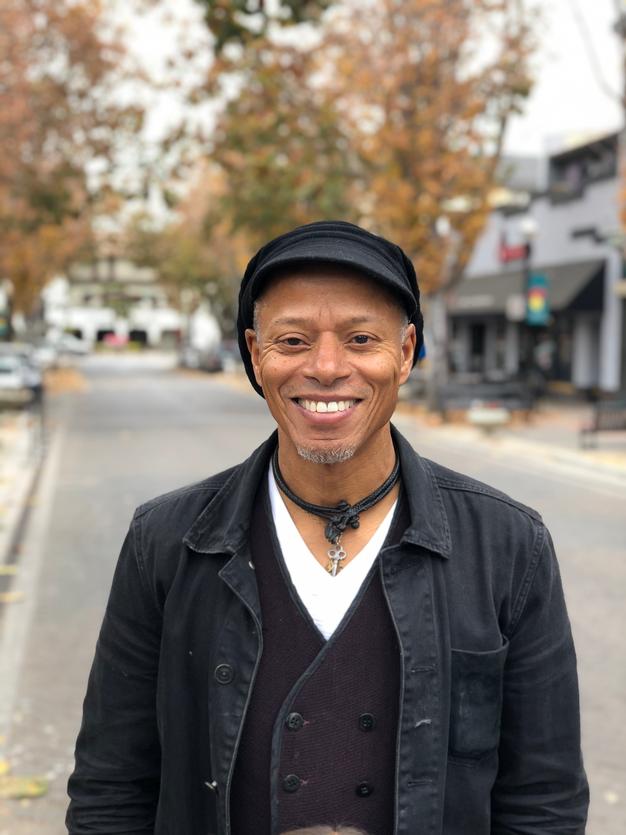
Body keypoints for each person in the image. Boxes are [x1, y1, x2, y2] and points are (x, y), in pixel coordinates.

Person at [66, 221, 589, 835]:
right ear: (254, 354)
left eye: (361, 338)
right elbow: (111, 791)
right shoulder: (165, 542)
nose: (326, 367)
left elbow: (544, 804)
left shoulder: (508, 546)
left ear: (406, 352)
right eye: (292, 341)